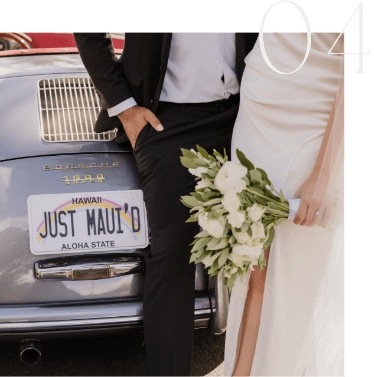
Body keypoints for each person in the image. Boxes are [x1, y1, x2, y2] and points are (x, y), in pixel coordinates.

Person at [73, 32, 258, 377]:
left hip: (247, 111)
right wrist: (124, 108)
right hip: (166, 121)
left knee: (264, 242)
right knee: (174, 249)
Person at [224, 32, 345, 377]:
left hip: (314, 118)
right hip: (258, 107)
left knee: (289, 272)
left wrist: (323, 174)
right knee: (251, 265)